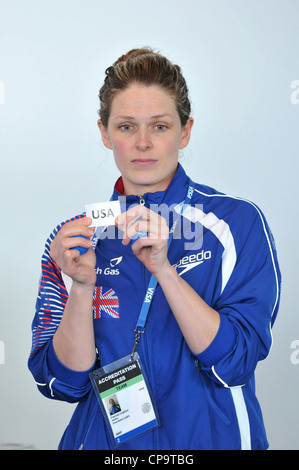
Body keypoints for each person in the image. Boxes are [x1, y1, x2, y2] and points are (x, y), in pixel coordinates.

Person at [28, 47, 281, 450]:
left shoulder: (237, 223)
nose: (142, 143)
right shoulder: (73, 239)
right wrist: (80, 288)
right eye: (126, 127)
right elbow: (61, 383)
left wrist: (165, 269)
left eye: (159, 126)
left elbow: (235, 362)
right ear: (104, 133)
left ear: (185, 131)